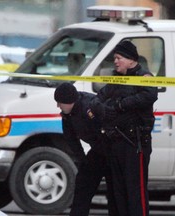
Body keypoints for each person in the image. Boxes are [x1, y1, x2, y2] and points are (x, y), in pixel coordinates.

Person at [88, 40, 158, 216]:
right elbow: (98, 98)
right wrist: (101, 108)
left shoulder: (144, 77)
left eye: (118, 58)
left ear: (130, 59)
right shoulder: (117, 79)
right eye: (115, 58)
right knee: (118, 193)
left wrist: (120, 105)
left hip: (136, 144)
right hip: (116, 143)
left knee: (136, 192)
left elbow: (150, 95)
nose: (116, 62)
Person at [54, 82, 118, 216]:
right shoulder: (67, 114)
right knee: (83, 184)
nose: (58, 106)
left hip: (113, 151)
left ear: (68, 100)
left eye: (59, 102)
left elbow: (108, 129)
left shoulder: (90, 107)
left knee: (114, 192)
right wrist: (83, 160)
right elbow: (71, 139)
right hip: (98, 151)